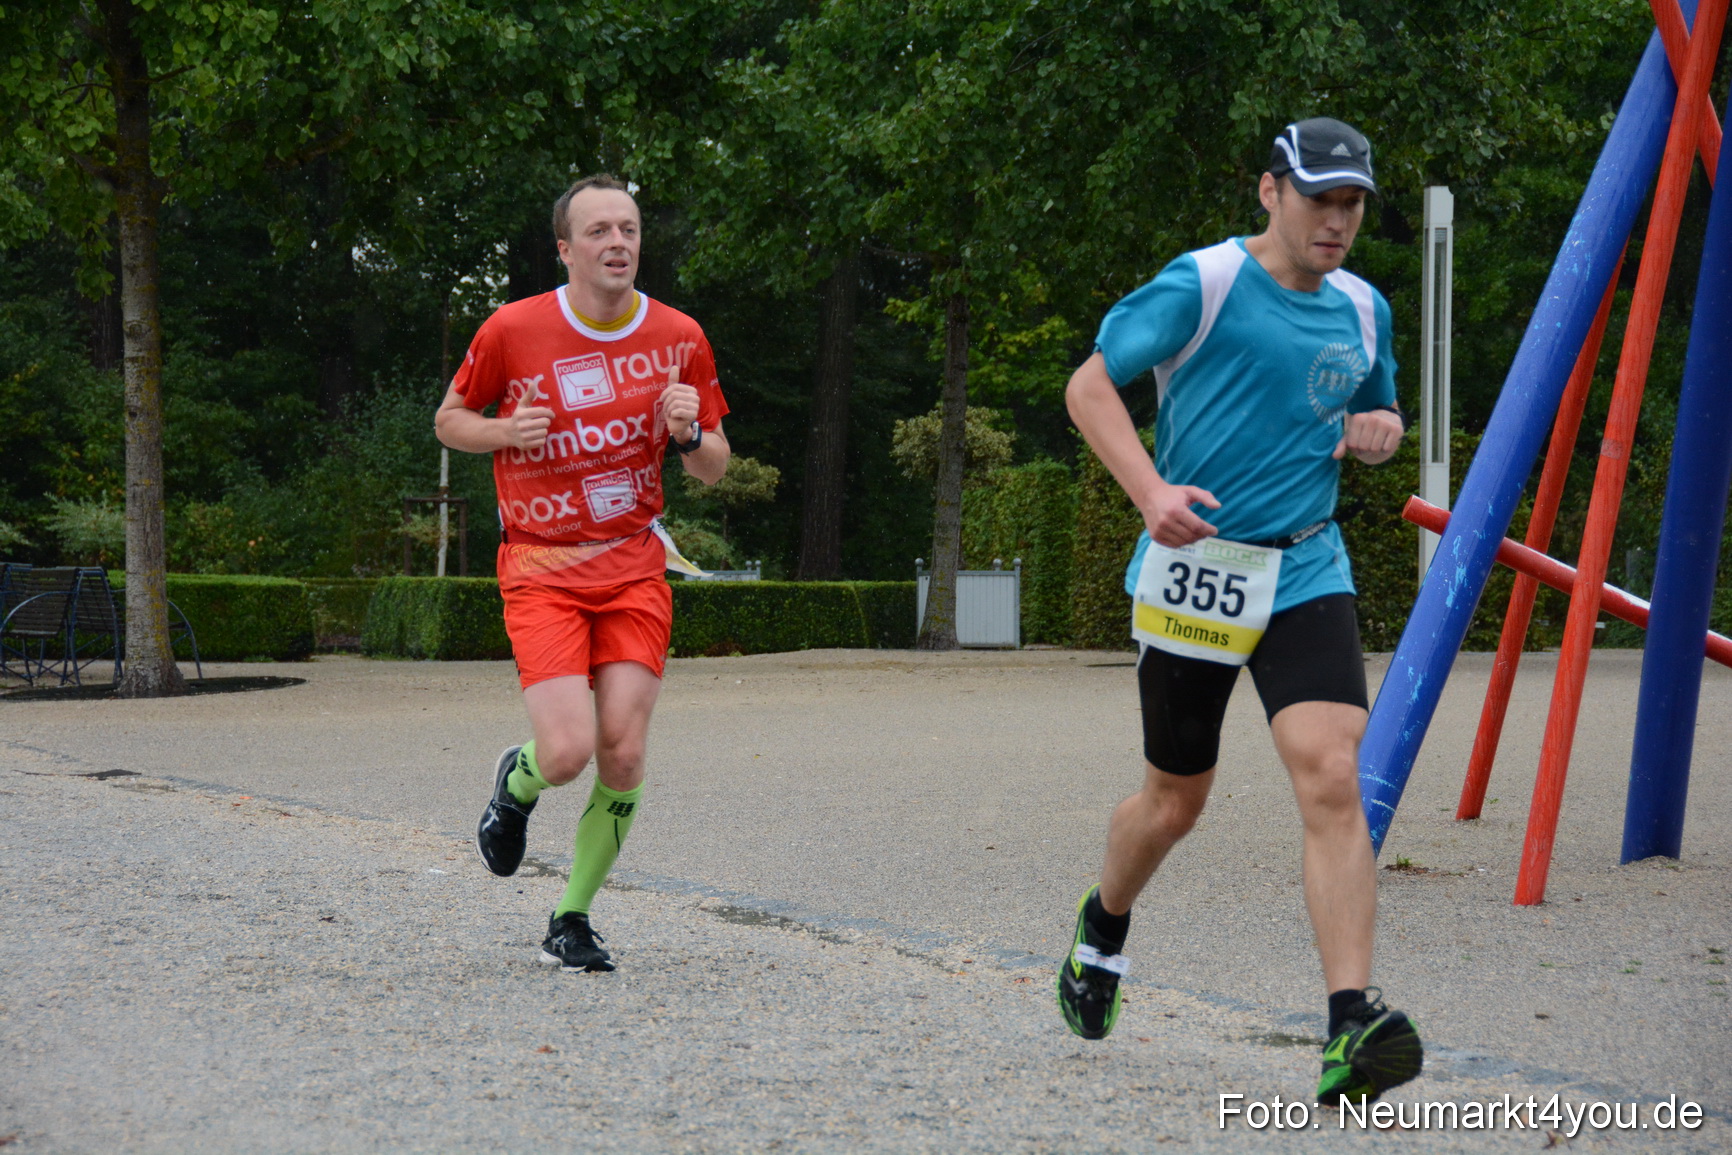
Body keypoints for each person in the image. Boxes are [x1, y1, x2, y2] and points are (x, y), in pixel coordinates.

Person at [1056, 118, 1422, 1106]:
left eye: (1352, 205)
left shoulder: (1362, 307)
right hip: (1196, 569)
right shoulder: (1203, 284)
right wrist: (1149, 495)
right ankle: (1105, 921)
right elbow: (1089, 390)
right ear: (1270, 192)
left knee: (1332, 773)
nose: (1337, 222)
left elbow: (1369, 412)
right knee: (1175, 801)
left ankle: (1350, 1024)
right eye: (1320, 200)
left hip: (1306, 567)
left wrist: (1379, 430)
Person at [435, 174, 729, 973]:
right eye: (598, 230)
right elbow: (448, 420)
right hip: (540, 565)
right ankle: (518, 781)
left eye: (629, 229)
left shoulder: (680, 337)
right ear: (564, 249)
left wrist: (690, 429)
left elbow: (712, 466)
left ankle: (571, 916)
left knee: (623, 753)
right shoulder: (512, 328)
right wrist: (500, 432)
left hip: (634, 565)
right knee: (567, 752)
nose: (618, 243)